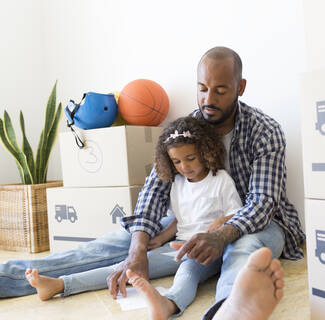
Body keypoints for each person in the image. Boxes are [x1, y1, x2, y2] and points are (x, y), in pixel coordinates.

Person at [0, 46, 305, 319]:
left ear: (240, 87)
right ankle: (7, 278)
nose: (208, 99)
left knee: (245, 247)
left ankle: (228, 311)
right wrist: (138, 248)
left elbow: (262, 204)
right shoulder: (186, 129)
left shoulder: (265, 131)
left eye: (220, 90)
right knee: (118, 242)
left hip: (257, 223)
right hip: (190, 220)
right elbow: (154, 190)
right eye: (202, 89)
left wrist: (220, 235)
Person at [23, 117, 242, 315]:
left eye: (191, 158)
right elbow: (182, 219)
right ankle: (60, 285)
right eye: (176, 162)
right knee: (126, 267)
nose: (184, 167)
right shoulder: (177, 183)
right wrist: (161, 238)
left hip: (206, 251)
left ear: (206, 151)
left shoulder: (220, 180)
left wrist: (217, 225)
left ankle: (170, 303)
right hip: (177, 245)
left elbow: (235, 214)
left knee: (187, 273)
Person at [128, 247, 284, 320]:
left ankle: (228, 307)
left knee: (238, 253)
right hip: (204, 241)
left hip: (241, 230)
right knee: (188, 267)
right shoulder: (179, 187)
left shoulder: (221, 184)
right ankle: (168, 303)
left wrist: (218, 230)